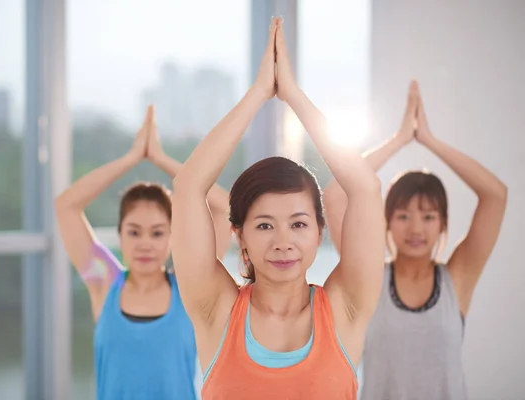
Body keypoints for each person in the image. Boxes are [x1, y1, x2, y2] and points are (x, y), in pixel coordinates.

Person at [170, 18, 386, 400]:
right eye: (266, 226)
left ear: (320, 232)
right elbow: (188, 187)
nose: (284, 242)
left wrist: (293, 96)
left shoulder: (345, 307)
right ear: (241, 237)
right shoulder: (214, 308)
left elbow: (365, 188)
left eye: (299, 224)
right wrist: (258, 93)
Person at [322, 81, 508, 400]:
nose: (416, 228)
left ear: (443, 224)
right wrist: (399, 140)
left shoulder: (457, 280)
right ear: (387, 222)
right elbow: (335, 194)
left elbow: (496, 195)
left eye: (429, 216)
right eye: (404, 215)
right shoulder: (370, 279)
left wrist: (430, 141)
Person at [55, 105, 231, 400]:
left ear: (173, 236)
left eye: (158, 232)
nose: (145, 244)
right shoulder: (104, 285)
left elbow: (227, 209)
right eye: (134, 232)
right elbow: (66, 206)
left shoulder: (191, 290)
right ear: (120, 235)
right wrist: (131, 158)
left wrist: (162, 160)